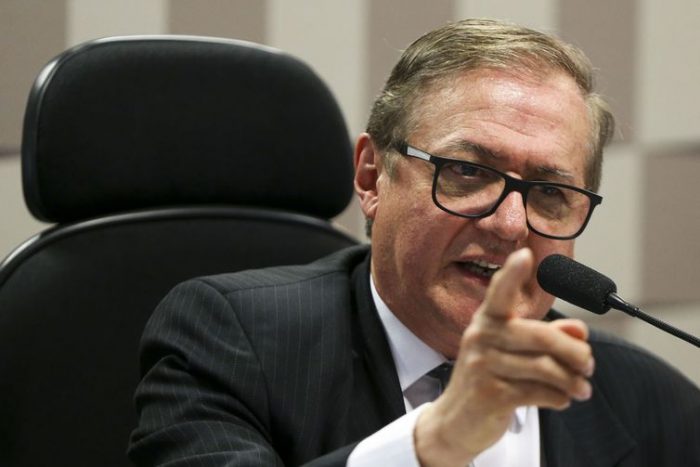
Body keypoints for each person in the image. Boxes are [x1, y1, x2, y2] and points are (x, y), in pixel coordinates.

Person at [128, 18, 700, 466]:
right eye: (467, 171)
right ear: (371, 177)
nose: (509, 225)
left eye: (550, 192)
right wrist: (436, 441)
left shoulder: (653, 402)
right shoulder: (228, 341)